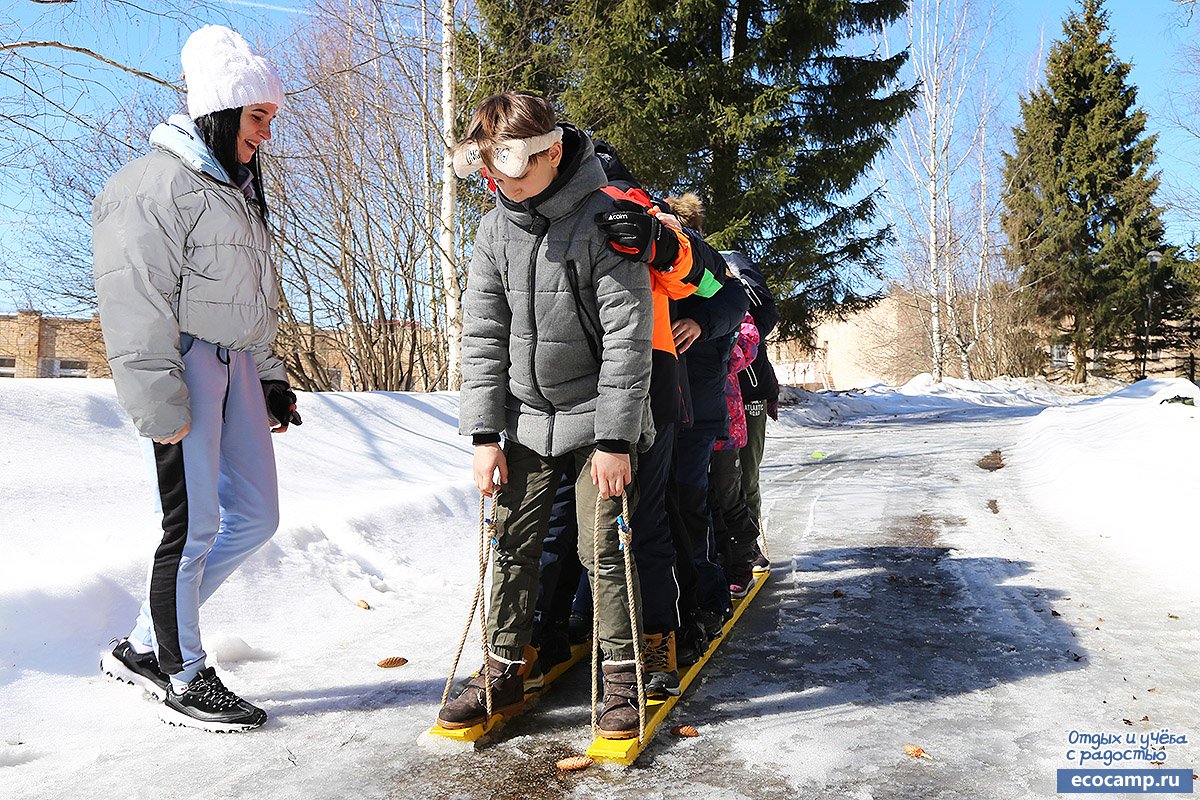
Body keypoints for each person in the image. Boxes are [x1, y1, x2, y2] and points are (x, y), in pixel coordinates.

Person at [93, 25, 298, 733]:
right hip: (181, 365)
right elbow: (132, 296)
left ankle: (145, 643)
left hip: (236, 362)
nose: (266, 133)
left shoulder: (236, 187)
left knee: (258, 517)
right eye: (258, 117)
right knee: (195, 525)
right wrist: (157, 397)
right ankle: (181, 672)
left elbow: (253, 291)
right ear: (221, 110)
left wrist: (268, 374)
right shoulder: (149, 186)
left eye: (270, 118)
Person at [437, 91, 653, 739]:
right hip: (527, 420)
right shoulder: (494, 229)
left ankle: (621, 676)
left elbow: (628, 338)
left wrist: (616, 439)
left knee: (602, 549)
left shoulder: (606, 221)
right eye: (490, 175)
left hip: (599, 423)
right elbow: (483, 336)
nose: (501, 186)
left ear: (552, 153)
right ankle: (503, 665)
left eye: (514, 172)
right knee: (510, 543)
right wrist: (484, 434)